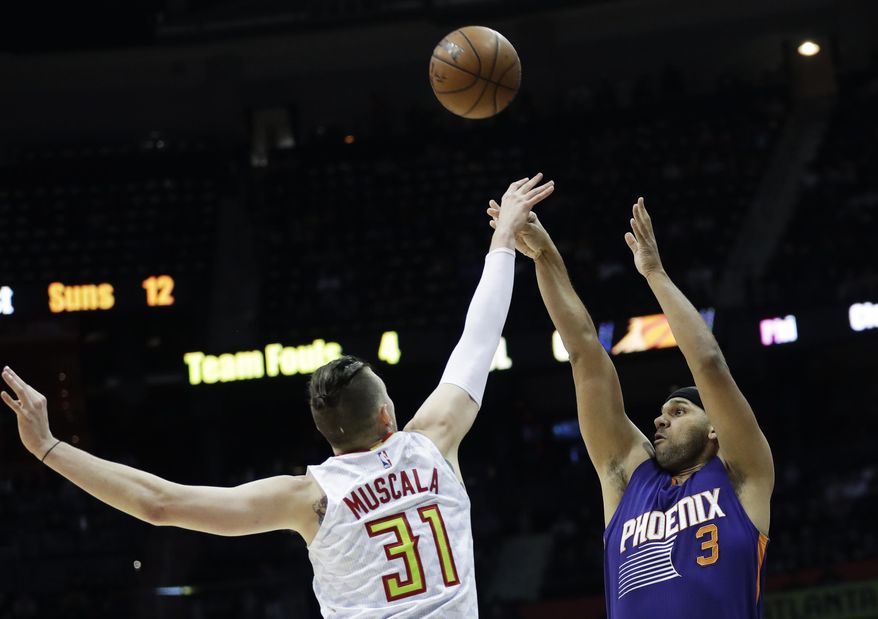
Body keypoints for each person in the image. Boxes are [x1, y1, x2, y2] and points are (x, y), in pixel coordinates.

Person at [2, 173, 555, 618]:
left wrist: (49, 447)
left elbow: (159, 503)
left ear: (326, 433)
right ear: (388, 415)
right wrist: (503, 238)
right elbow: (478, 337)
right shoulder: (433, 441)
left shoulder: (308, 497)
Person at [487, 196, 773, 618]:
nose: (660, 419)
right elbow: (584, 352)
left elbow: (709, 363)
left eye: (679, 411)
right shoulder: (628, 478)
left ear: (716, 429)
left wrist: (654, 273)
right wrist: (544, 256)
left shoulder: (741, 476)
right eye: (664, 412)